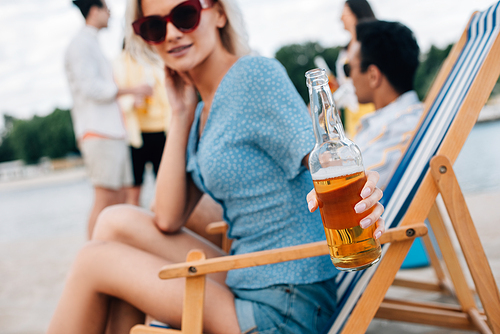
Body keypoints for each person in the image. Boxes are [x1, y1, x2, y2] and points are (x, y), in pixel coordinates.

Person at [48, 0, 385, 333]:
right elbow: (166, 216)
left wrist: (365, 192)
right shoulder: (200, 111)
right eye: (154, 26)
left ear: (220, 13)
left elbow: (325, 157)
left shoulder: (254, 76)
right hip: (249, 277)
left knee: (93, 261)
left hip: (286, 302)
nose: (171, 34)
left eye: (185, 15)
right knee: (113, 222)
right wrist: (179, 114)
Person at [65, 0, 154, 238]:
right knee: (105, 198)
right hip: (98, 132)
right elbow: (91, 88)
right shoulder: (80, 45)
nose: (110, 13)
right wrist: (132, 90)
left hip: (112, 133)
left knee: (121, 198)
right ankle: (93, 256)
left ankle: (113, 250)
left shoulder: (91, 43)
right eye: (106, 8)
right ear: (94, 11)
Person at [346, 19, 423, 189]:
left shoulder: (404, 127)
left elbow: (352, 190)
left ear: (373, 75)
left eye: (349, 68)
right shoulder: (396, 122)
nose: (348, 78)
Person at [114, 47, 171, 206]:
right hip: (134, 135)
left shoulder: (159, 56)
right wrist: (132, 101)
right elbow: (114, 95)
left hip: (163, 130)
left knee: (166, 187)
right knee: (134, 189)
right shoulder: (120, 62)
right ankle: (135, 227)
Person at [334, 0, 377, 137]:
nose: (340, 18)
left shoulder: (370, 44)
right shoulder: (344, 50)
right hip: (351, 113)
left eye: (345, 13)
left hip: (370, 107)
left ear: (356, 13)